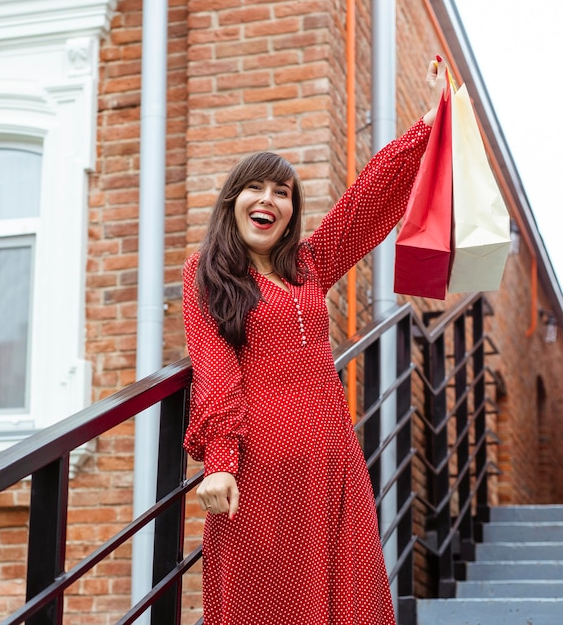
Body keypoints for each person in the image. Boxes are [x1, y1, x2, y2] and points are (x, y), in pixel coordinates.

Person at [182, 58, 448, 625]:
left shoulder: (307, 266)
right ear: (232, 202)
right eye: (254, 187)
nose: (269, 200)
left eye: (282, 192)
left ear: (290, 214)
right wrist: (220, 461)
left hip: (334, 464)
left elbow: (364, 206)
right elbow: (214, 368)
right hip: (264, 471)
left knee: (347, 604)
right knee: (268, 606)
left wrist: (429, 123)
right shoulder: (207, 272)